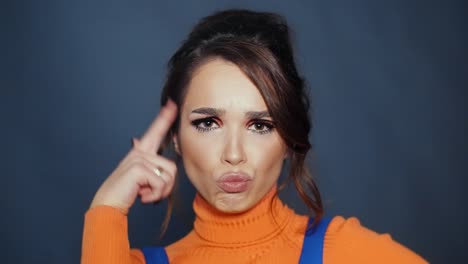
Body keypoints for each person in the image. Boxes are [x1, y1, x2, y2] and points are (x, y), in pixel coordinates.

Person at [81, 9, 428, 264]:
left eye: (260, 125)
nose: (234, 154)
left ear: (289, 140)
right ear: (175, 138)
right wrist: (106, 207)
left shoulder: (345, 251)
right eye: (208, 123)